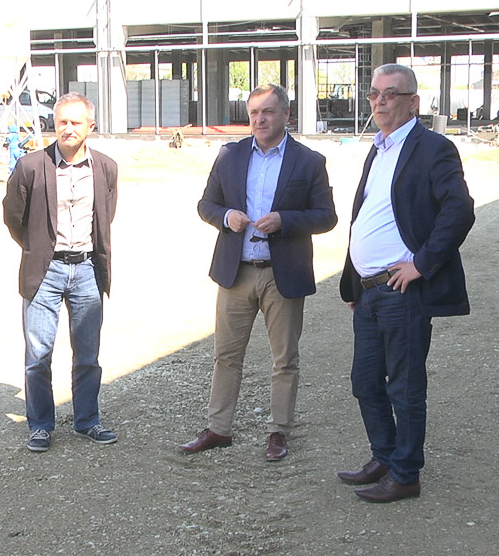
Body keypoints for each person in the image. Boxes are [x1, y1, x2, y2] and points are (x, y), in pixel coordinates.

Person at [337, 63, 475, 503]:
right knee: (365, 382)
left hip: (403, 291)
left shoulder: (433, 148)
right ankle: (384, 456)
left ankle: (405, 474)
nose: (379, 102)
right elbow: (366, 216)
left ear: (413, 102)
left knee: (405, 386)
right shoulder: (378, 149)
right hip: (369, 291)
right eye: (374, 94)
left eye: (390, 94)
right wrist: (355, 282)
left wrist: (421, 263)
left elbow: (459, 210)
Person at [179, 84, 338, 461]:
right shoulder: (229, 156)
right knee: (226, 355)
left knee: (285, 359)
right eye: (253, 112)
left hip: (284, 274)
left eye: (268, 111)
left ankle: (278, 432)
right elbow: (206, 204)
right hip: (236, 272)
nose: (259, 119)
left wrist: (285, 220)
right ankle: (219, 429)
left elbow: (326, 217)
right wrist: (225, 217)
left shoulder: (309, 161)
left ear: (286, 115)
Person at [2, 92, 119, 453]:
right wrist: (37, 248)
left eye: (75, 122)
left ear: (90, 126)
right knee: (38, 355)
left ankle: (87, 420)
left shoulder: (106, 168)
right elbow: (13, 216)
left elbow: (106, 215)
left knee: (88, 355)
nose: (68, 128)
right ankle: (40, 425)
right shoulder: (30, 166)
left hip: (87, 270)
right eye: (62, 121)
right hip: (45, 271)